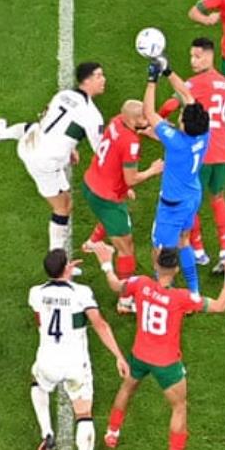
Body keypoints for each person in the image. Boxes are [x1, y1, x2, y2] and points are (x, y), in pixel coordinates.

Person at [92, 243, 225, 450]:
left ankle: (112, 432)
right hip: (166, 364)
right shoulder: (181, 298)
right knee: (179, 407)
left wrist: (105, 262)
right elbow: (220, 306)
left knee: (127, 388)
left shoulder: (140, 283)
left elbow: (115, 285)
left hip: (140, 353)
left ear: (156, 265)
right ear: (176, 270)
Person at [27, 248, 129, 450]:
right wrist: (119, 356)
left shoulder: (35, 293)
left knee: (36, 380)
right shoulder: (82, 294)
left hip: (47, 359)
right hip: (74, 364)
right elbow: (100, 325)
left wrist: (64, 274)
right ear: (66, 269)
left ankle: (48, 434)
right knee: (83, 413)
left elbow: (41, 319)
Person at [0, 62, 106, 254]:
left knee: (33, 127)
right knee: (63, 206)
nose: (104, 80)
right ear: (87, 80)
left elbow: (50, 123)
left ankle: (0, 134)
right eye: (99, 76)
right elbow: (101, 150)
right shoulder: (92, 116)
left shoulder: (62, 95)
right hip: (43, 162)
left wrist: (71, 147)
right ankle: (56, 260)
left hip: (29, 143)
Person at [158, 37, 225, 274]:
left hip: (201, 153)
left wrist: (158, 120)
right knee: (218, 197)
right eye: (191, 56)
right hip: (223, 152)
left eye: (197, 56)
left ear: (208, 56)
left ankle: (198, 251)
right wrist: (223, 134)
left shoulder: (194, 84)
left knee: (190, 203)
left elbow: (171, 104)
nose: (193, 61)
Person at [80, 99, 164, 313]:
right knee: (126, 248)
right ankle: (125, 301)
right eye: (144, 117)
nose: (147, 120)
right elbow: (132, 179)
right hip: (107, 197)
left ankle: (92, 242)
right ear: (134, 120)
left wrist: (151, 131)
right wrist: (153, 170)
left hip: (92, 182)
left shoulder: (116, 121)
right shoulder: (130, 143)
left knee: (109, 218)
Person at [143, 59, 210, 294]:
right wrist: (168, 69)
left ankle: (160, 291)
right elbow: (187, 95)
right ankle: (194, 291)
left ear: (182, 125)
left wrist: (152, 79)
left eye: (181, 116)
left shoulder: (176, 141)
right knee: (184, 241)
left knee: (160, 249)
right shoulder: (204, 131)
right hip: (193, 195)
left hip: (172, 205)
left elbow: (148, 113)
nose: (181, 114)